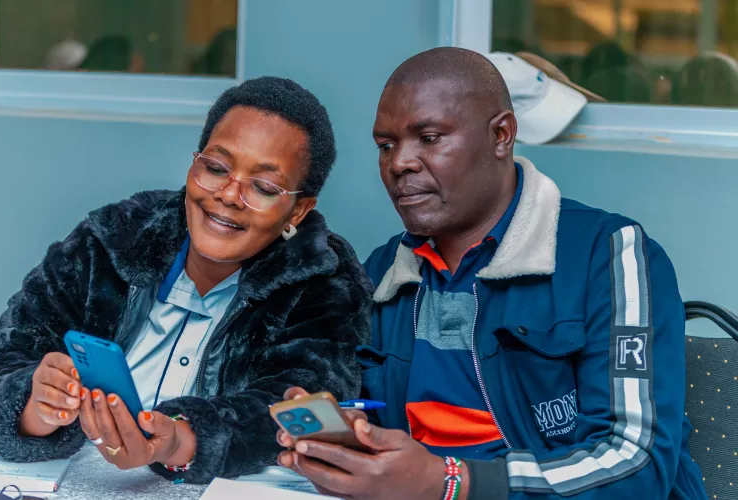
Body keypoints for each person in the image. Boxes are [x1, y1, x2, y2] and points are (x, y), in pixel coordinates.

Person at [277, 48, 706, 500]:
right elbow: (375, 425)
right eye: (386, 146)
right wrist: (347, 439)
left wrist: (450, 481)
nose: (399, 163)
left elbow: (634, 464)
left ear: (501, 135)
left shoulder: (609, 255)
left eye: (428, 137)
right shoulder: (383, 272)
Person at [0, 76, 372, 484]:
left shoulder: (322, 281)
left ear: (298, 212)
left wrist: (179, 440)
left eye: (263, 187)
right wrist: (36, 405)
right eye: (216, 167)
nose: (228, 195)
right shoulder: (112, 240)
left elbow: (303, 409)